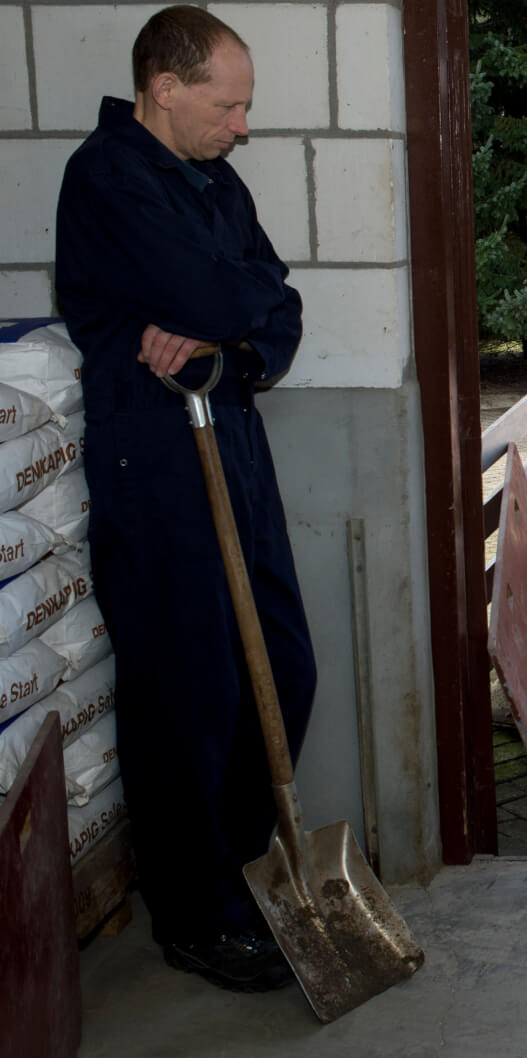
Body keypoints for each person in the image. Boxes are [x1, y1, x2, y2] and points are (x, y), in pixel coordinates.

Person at [54, 5, 317, 992]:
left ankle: (243, 870)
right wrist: (225, 314)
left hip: (232, 442)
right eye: (230, 102)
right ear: (165, 88)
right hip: (155, 465)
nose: (242, 123)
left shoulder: (212, 178)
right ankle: (195, 915)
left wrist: (230, 340)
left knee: (280, 669)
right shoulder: (110, 178)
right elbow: (220, 294)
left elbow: (276, 308)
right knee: (185, 692)